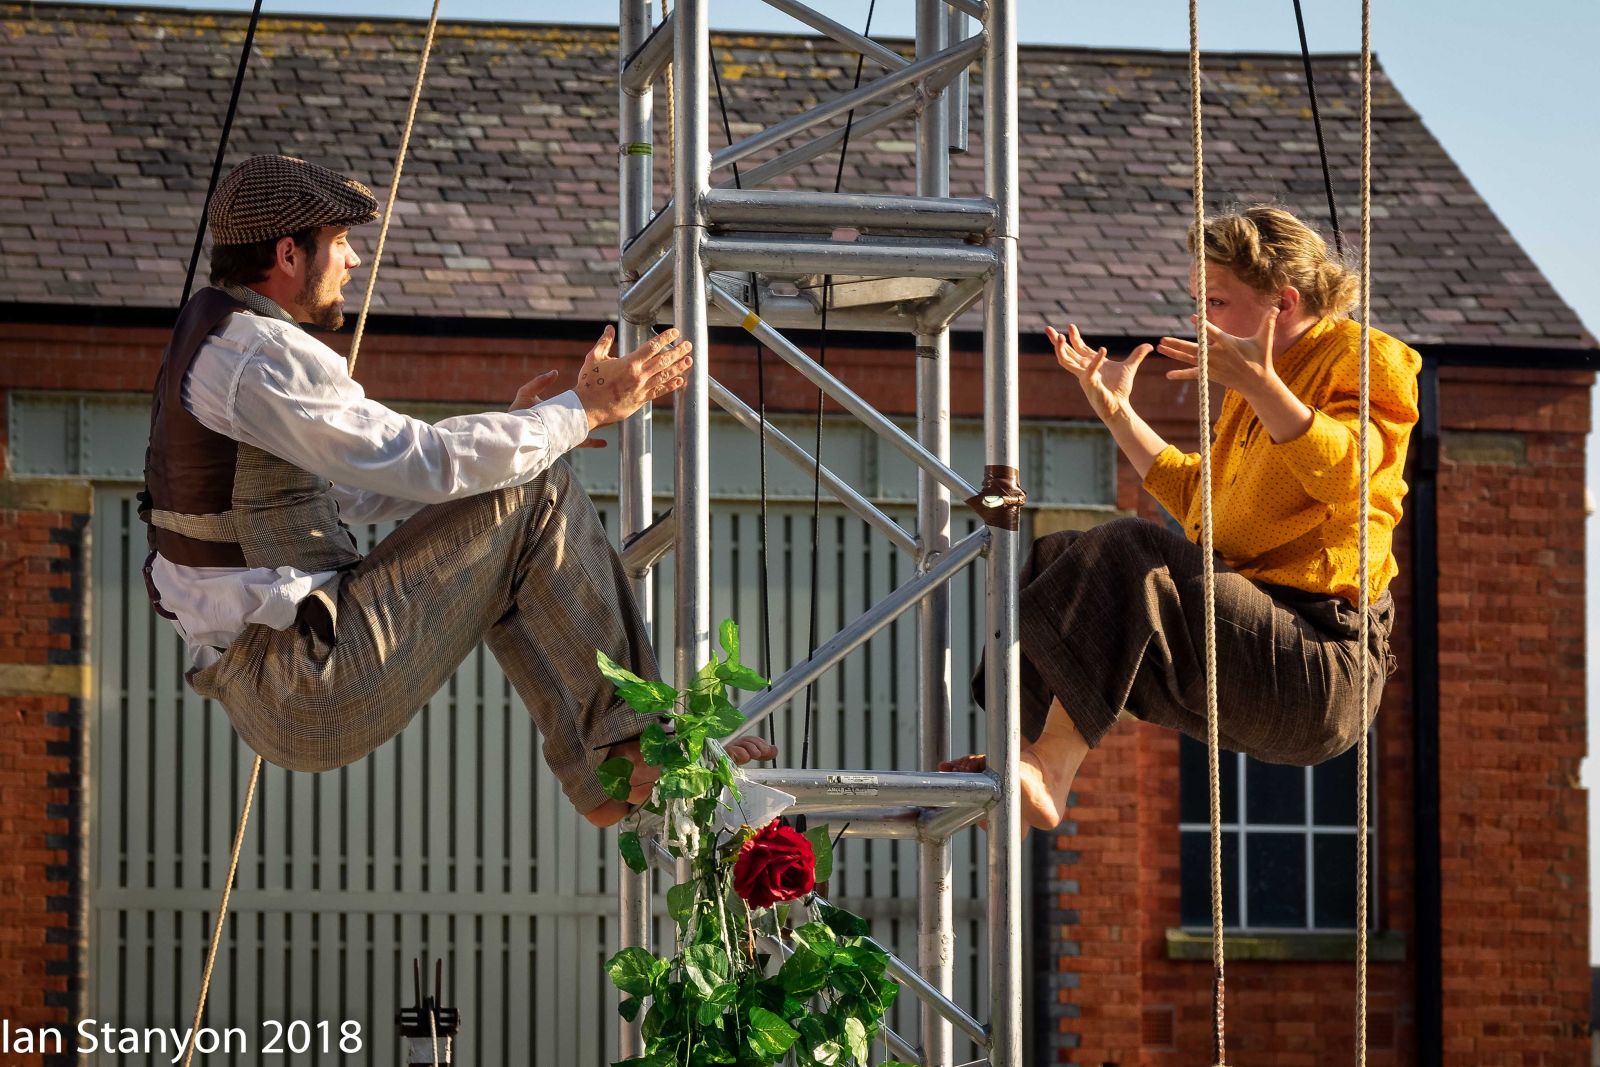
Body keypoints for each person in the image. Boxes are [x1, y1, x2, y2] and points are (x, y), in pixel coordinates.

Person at [141, 155, 774, 829]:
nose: (353, 261)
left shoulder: (215, 344)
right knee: (537, 491)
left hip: (274, 686)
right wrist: (579, 414)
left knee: (516, 492)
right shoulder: (259, 354)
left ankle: (612, 762)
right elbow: (420, 460)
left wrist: (526, 433)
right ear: (289, 253)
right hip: (302, 677)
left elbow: (355, 489)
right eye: (341, 243)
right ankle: (630, 747)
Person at [943, 205, 1420, 832]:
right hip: (1250, 641)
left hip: (1322, 664)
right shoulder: (1248, 395)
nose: (1203, 320)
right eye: (1200, 300)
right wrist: (1116, 410)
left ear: (1284, 301)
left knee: (1127, 551)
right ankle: (1028, 760)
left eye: (1217, 302)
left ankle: (1050, 770)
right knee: (1059, 557)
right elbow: (1203, 501)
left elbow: (1354, 476)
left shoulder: (1365, 358)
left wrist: (1262, 387)